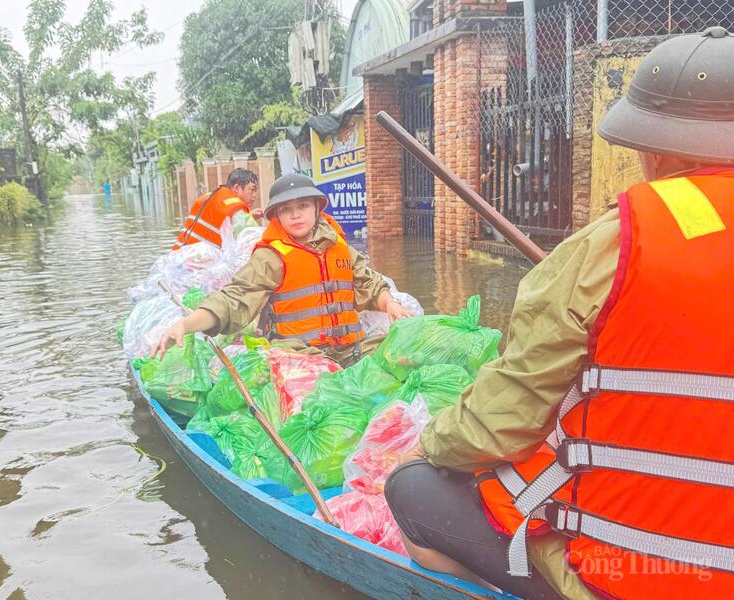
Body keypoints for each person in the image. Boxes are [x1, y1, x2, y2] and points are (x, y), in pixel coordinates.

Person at [385, 27, 734, 600]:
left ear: (656, 151)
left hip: (638, 580)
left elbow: (501, 420)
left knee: (413, 485)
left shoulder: (612, 245)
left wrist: (426, 444)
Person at [155, 173, 414, 366]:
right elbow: (234, 300)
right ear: (276, 215)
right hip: (300, 356)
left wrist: (389, 303)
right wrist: (186, 325)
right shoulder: (271, 257)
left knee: (408, 352)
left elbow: (368, 282)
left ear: (317, 207)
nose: (295, 215)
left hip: (351, 350)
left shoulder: (339, 246)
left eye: (303, 206)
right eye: (286, 209)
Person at [173, 167, 261, 250]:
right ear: (237, 188)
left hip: (178, 254)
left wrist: (249, 216)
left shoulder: (208, 197)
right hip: (199, 259)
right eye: (252, 189)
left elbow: (215, 223)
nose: (254, 195)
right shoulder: (236, 210)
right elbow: (256, 242)